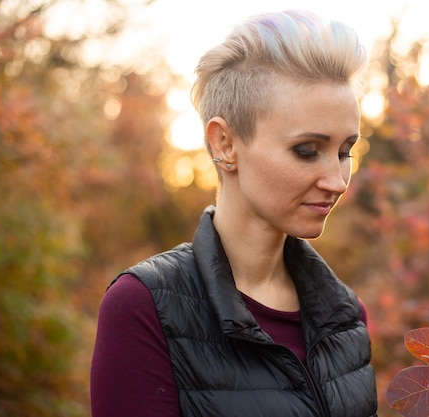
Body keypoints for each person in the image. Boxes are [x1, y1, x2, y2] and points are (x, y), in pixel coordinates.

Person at [90, 9, 377, 417]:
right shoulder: (142, 308)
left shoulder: (348, 318)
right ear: (224, 143)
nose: (338, 180)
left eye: (345, 151)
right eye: (307, 150)